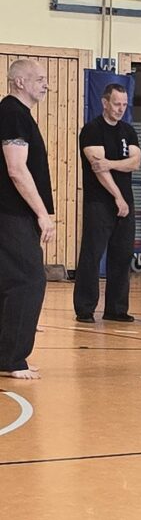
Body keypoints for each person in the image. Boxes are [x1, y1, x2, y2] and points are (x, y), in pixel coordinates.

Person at [0, 60, 55, 380]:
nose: (46, 84)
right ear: (19, 82)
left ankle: (6, 356)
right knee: (29, 280)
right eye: (39, 79)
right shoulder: (13, 114)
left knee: (8, 282)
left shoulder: (16, 114)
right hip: (12, 214)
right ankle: (12, 358)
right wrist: (42, 214)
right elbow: (16, 169)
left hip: (10, 214)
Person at [73, 83, 141, 324]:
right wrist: (117, 197)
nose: (120, 109)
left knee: (122, 254)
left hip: (125, 203)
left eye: (124, 104)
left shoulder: (128, 131)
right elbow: (99, 170)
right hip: (99, 202)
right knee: (92, 254)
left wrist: (111, 163)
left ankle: (116, 308)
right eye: (116, 104)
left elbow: (135, 163)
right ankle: (85, 308)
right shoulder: (92, 130)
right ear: (104, 103)